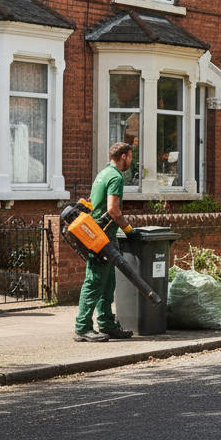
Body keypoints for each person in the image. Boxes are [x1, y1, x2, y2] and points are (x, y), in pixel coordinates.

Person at [74, 142, 137, 342]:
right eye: (130, 156)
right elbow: (113, 210)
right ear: (124, 156)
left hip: (99, 233)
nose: (131, 160)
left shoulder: (102, 174)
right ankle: (82, 327)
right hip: (101, 237)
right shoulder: (116, 177)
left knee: (108, 282)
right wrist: (129, 230)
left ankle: (107, 324)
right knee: (94, 281)